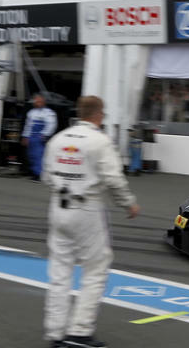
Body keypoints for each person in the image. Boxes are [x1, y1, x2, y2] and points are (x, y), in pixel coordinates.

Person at [42, 95, 140, 348]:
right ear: (99, 115)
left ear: (79, 112)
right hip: (86, 208)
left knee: (59, 272)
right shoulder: (100, 141)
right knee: (95, 268)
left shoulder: (58, 139)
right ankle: (80, 331)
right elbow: (114, 179)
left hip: (58, 206)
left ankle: (55, 333)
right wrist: (128, 203)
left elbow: (45, 176)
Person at [22, 94, 58, 181]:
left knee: (39, 155)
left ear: (43, 102)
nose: (38, 103)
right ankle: (34, 172)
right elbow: (28, 126)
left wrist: (44, 135)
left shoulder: (48, 113)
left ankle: (39, 175)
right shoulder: (31, 113)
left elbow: (51, 125)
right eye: (36, 101)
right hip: (32, 136)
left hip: (40, 136)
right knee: (32, 155)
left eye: (39, 101)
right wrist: (25, 136)